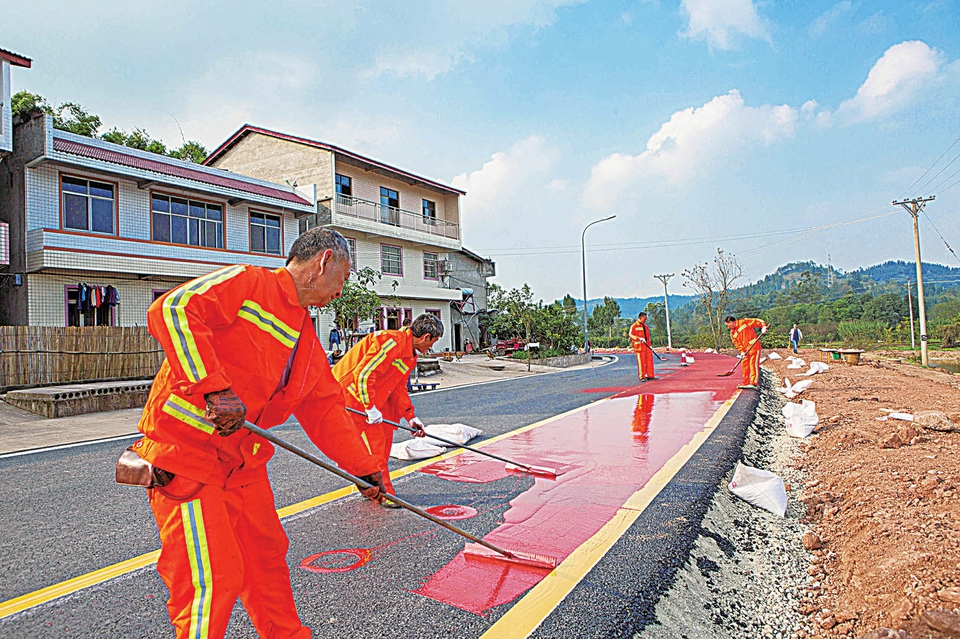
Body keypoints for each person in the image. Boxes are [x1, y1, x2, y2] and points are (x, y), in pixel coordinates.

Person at [125, 228, 385, 639]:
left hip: (243, 465)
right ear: (325, 261)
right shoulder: (248, 283)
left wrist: (365, 471)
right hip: (187, 458)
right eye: (345, 276)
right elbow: (172, 309)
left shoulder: (304, 337)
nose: (342, 289)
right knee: (213, 580)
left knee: (267, 565)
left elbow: (325, 412)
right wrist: (213, 387)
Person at [333, 313, 443, 507]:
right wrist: (370, 408)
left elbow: (398, 387)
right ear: (425, 337)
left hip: (375, 403)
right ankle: (380, 492)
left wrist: (410, 416)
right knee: (365, 453)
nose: (431, 347)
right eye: (433, 342)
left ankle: (375, 490)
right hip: (353, 401)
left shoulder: (410, 355)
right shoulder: (389, 342)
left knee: (381, 449)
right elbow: (363, 375)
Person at [724, 315, 768, 390]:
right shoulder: (732, 333)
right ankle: (745, 382)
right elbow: (736, 343)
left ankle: (753, 383)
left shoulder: (744, 322)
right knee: (744, 365)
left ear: (731, 322)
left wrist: (763, 326)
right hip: (745, 351)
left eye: (728, 325)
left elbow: (757, 321)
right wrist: (741, 352)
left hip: (754, 347)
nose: (728, 327)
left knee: (753, 364)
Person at [629, 312, 656, 381]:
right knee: (641, 362)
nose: (645, 320)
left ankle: (650, 375)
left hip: (647, 347)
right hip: (639, 347)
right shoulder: (634, 326)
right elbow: (631, 335)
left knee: (649, 361)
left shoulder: (645, 326)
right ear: (640, 318)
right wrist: (638, 338)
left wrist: (650, 346)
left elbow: (648, 337)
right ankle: (642, 376)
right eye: (644, 319)